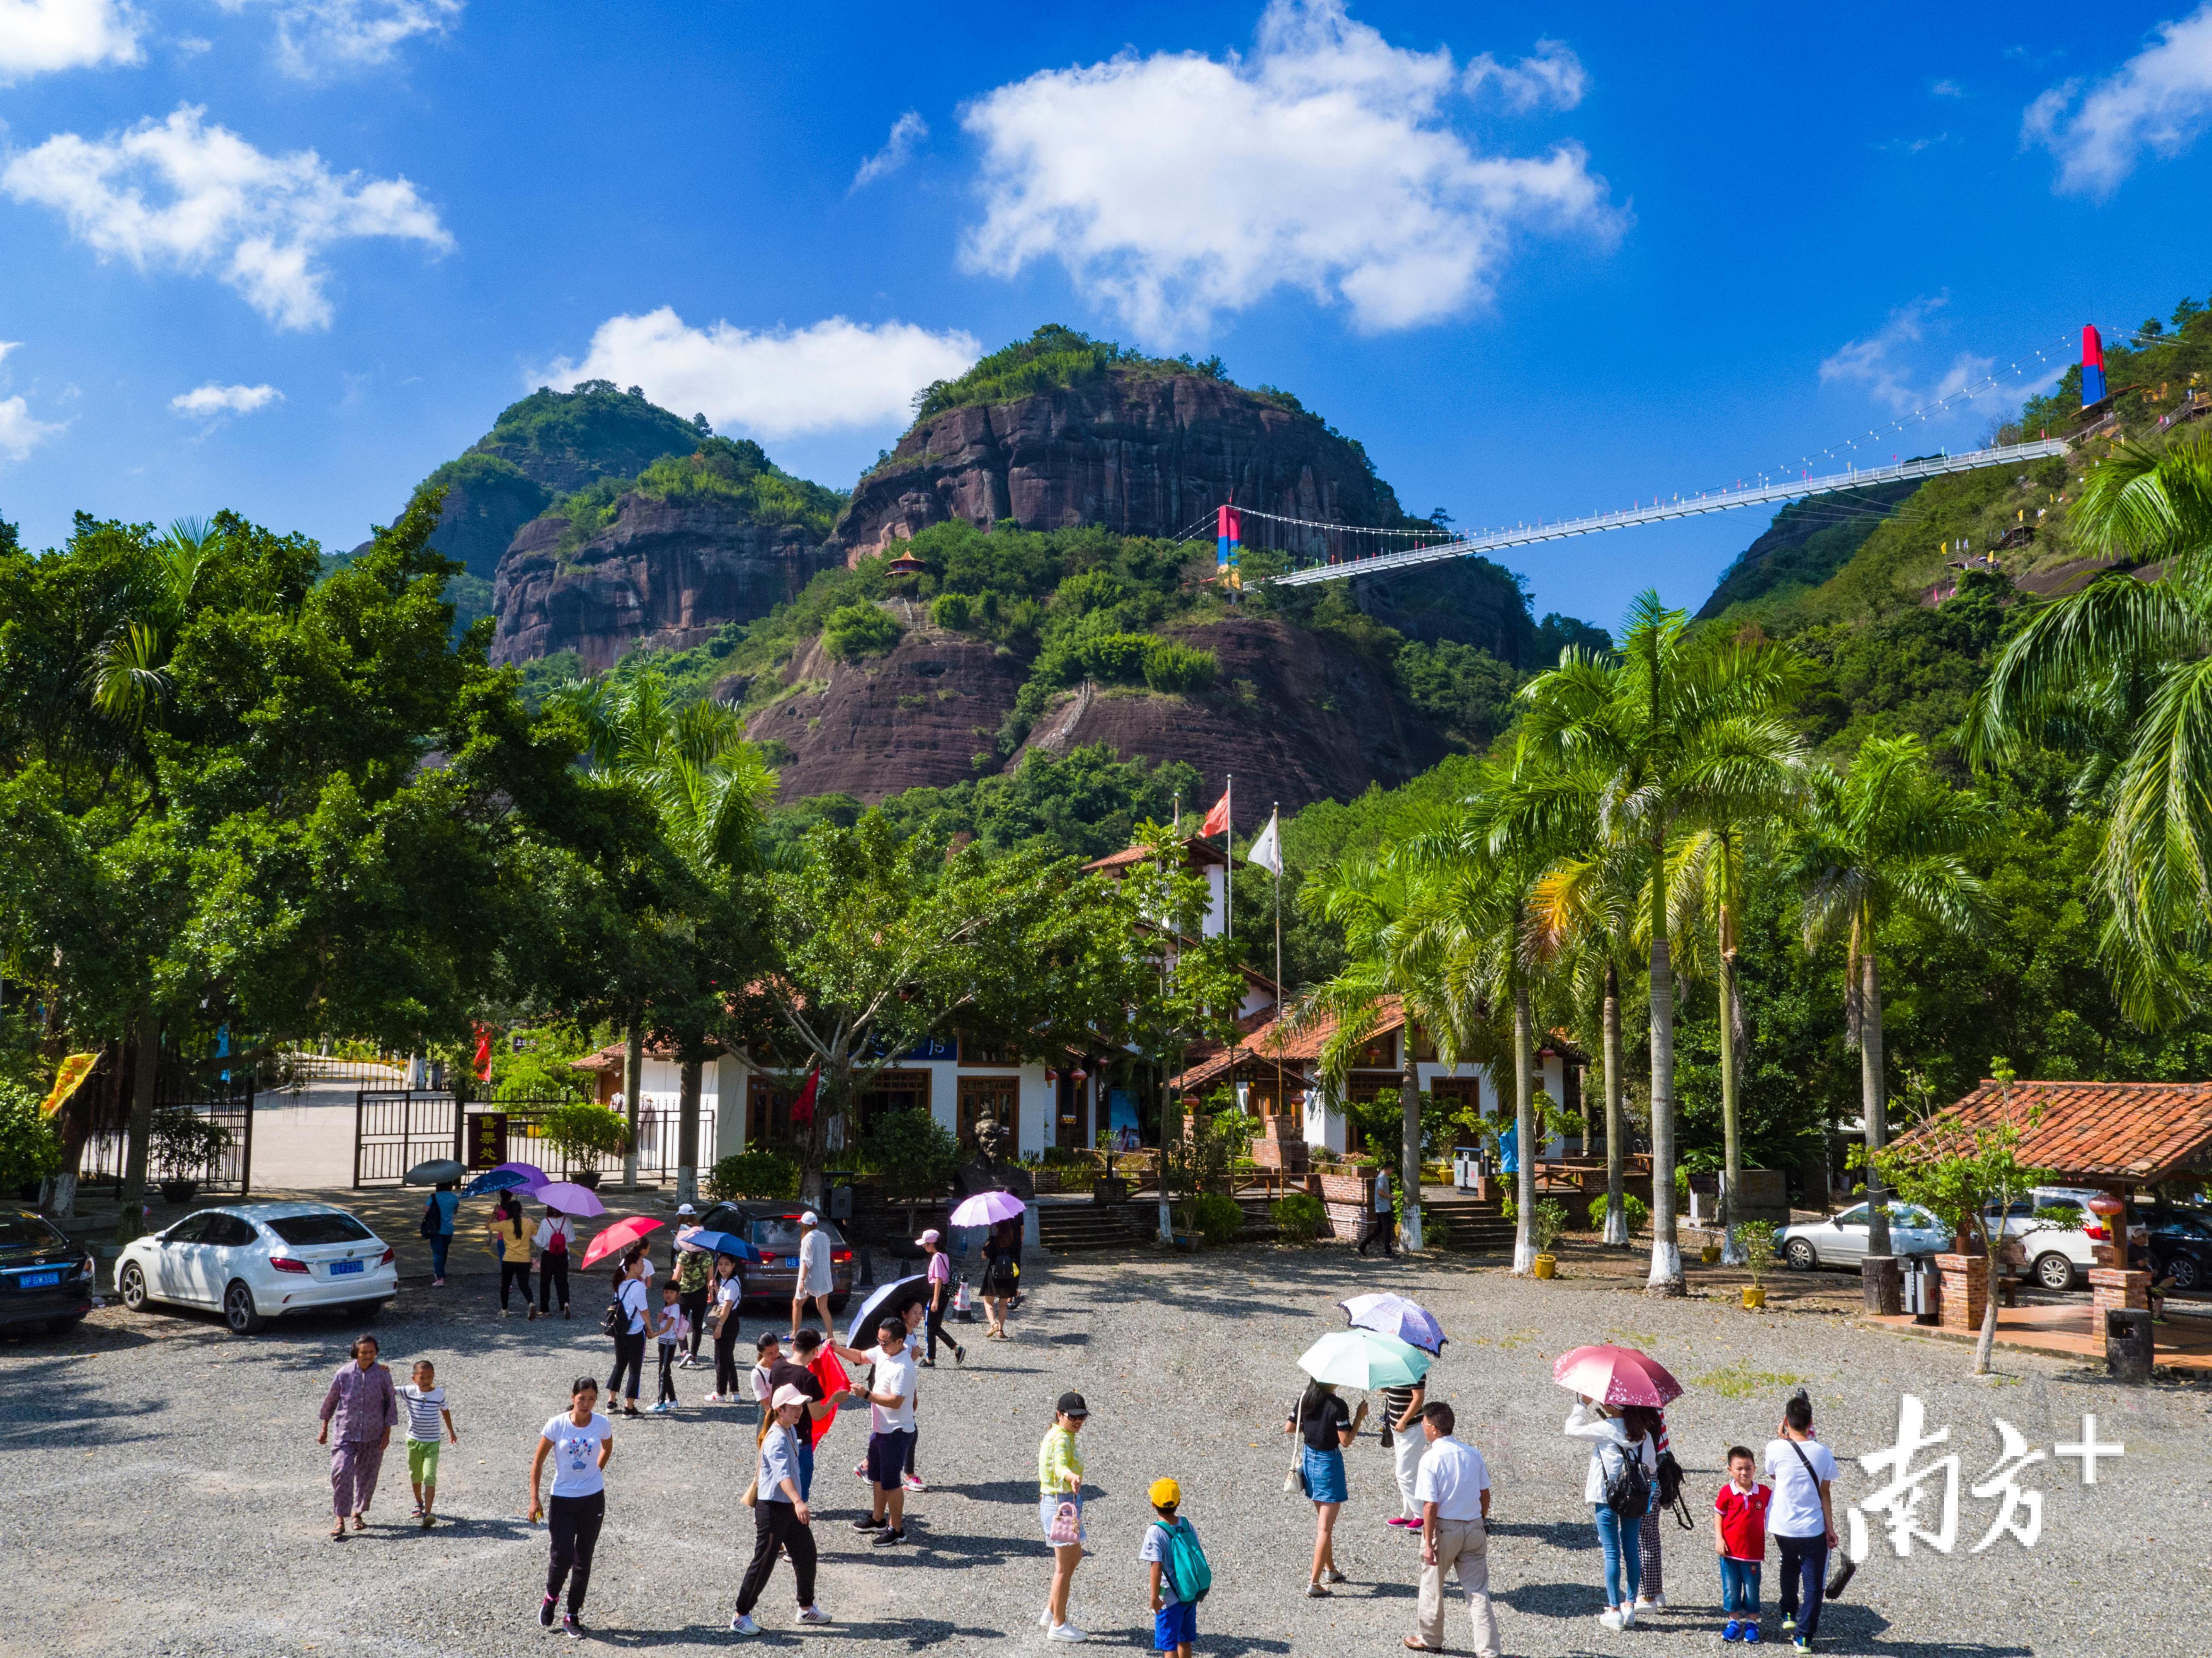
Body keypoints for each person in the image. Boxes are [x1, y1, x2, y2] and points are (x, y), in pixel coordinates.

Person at [730, 1384, 831, 1634]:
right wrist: (799, 1501)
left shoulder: (789, 1428)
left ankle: (806, 1609)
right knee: (763, 1562)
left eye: (800, 1406)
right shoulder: (776, 1438)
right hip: (774, 1509)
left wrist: (795, 1503)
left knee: (806, 1554)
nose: (799, 1411)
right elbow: (783, 1475)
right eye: (794, 1407)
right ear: (780, 1410)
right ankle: (741, 1616)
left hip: (787, 1507)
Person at [1403, 1401, 1501, 1657]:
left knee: (1433, 1585)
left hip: (1445, 1530)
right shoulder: (1473, 1453)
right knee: (1478, 1593)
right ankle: (1489, 1650)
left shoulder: (1430, 1459)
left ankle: (1431, 1639)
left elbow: (1430, 1505)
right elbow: (1485, 1494)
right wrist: (1480, 1518)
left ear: (1434, 1429)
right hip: (1474, 1528)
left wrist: (1428, 1541)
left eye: (1424, 1424)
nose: (1423, 1428)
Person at [529, 1376, 614, 1641]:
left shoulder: (602, 1423)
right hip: (563, 1499)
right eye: (582, 1399)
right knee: (562, 1555)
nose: (587, 1404)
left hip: (593, 1499)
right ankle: (551, 1597)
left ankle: (572, 1615)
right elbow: (538, 1462)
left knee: (583, 1560)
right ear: (572, 1398)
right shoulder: (557, 1425)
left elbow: (608, 1449)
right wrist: (535, 1499)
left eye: (591, 1399)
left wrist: (595, 1473)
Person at [1566, 1394, 1657, 1630]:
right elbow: (1652, 1467)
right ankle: (1629, 1606)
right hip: (1635, 1499)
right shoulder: (1644, 1435)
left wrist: (1582, 1404)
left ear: (1610, 1406)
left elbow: (1571, 1429)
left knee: (1611, 1553)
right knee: (1631, 1551)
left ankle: (1614, 1610)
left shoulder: (1605, 1428)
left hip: (1606, 1498)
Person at [828, 1317, 917, 1547]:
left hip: (896, 1432)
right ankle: (878, 1519)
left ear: (900, 1341)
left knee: (891, 1483)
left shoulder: (904, 1368)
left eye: (885, 1342)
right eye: (879, 1340)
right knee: (877, 1476)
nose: (881, 1345)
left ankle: (897, 1529)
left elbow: (896, 1402)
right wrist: (836, 1349)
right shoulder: (885, 1352)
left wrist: (866, 1395)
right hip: (881, 1430)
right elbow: (860, 1356)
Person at [1764, 1393, 1838, 1653]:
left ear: (1786, 1421)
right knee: (1813, 1583)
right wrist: (1830, 1527)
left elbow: (1774, 1474)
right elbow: (1824, 1492)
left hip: (1782, 1525)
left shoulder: (1774, 1447)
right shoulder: (1823, 1453)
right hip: (1811, 1527)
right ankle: (1804, 1637)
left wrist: (1781, 1438)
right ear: (1811, 1423)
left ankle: (1788, 1615)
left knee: (1789, 1563)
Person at [1287, 1379, 1366, 1597]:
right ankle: (1314, 1582)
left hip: (1309, 1461)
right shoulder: (1338, 1406)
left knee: (1324, 1520)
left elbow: (1290, 1427)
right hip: (1328, 1465)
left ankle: (1330, 1569)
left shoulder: (1306, 1398)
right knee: (1325, 1528)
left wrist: (1313, 1426)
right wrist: (1360, 1417)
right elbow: (1346, 1440)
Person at [316, 1333, 398, 1539]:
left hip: (374, 1434)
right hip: (346, 1433)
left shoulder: (383, 1375)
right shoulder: (343, 1374)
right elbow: (331, 1401)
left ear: (377, 1353)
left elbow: (391, 1405)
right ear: (356, 1353)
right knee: (341, 1471)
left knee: (367, 1477)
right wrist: (324, 1428)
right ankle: (340, 1518)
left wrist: (387, 1433)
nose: (368, 1355)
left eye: (372, 1352)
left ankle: (358, 1513)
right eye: (364, 1352)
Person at [1037, 1391, 1089, 1643]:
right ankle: (1059, 1625)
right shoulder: (1061, 1439)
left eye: (1082, 1416)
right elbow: (1059, 1467)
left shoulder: (1061, 1434)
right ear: (1060, 1415)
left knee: (1073, 1558)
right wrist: (1071, 1477)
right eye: (1073, 1417)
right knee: (1064, 1568)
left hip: (1059, 1503)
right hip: (1062, 1504)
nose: (1078, 1421)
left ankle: (1051, 1611)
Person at [1140, 1477, 1206, 1658]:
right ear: (1178, 1502)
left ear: (1153, 1504)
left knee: (1169, 1643)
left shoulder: (1156, 1531)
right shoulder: (1186, 1525)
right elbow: (1197, 1556)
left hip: (1169, 1597)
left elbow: (1156, 1567)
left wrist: (1154, 1597)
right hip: (1189, 1591)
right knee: (1185, 1640)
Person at [1715, 1445, 1771, 1644]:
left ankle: (1752, 1623)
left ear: (1755, 1468)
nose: (1744, 1472)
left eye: (1748, 1468)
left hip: (1753, 1554)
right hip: (1730, 1553)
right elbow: (1719, 1515)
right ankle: (1733, 1623)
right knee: (1731, 1588)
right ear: (1730, 1470)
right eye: (1739, 1468)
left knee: (1752, 1589)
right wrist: (1719, 1538)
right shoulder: (1727, 1492)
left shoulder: (1764, 1493)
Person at [398, 1358, 458, 1530]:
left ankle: (428, 1513)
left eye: (430, 1377)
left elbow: (445, 1410)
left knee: (430, 1476)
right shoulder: (408, 1391)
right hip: (413, 1441)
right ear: (413, 1378)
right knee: (415, 1475)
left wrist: (451, 1432)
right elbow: (387, 1389)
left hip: (432, 1442)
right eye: (422, 1377)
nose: (426, 1381)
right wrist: (382, 1371)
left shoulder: (439, 1393)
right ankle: (419, 1503)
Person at [1630, 1404, 1671, 1610]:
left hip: (1642, 1481)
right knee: (1651, 1537)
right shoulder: (1655, 1411)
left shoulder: (1637, 1418)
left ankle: (1648, 1597)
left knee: (1643, 1539)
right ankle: (1656, 1591)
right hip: (1655, 1478)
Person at [1380, 1373, 1428, 1530]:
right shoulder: (1394, 1368)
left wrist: (1404, 1420)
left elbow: (1419, 1398)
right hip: (1398, 1429)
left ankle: (1422, 1516)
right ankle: (1409, 1514)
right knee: (1409, 1473)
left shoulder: (1414, 1369)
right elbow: (1386, 1390)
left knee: (1404, 1474)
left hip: (1412, 1428)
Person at [606, 1252, 650, 1418]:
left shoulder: (620, 1284)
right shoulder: (638, 1286)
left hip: (620, 1330)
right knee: (635, 1369)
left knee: (619, 1365)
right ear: (633, 1266)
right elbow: (644, 1311)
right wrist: (651, 1328)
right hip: (636, 1331)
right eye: (641, 1263)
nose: (643, 1266)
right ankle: (629, 1407)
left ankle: (611, 1402)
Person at [918, 1229, 965, 1367]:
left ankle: (930, 1359)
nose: (924, 1247)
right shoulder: (944, 1255)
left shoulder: (937, 1258)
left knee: (929, 1327)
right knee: (935, 1327)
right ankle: (957, 1349)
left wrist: (935, 1300)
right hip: (944, 1294)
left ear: (932, 1244)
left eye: (925, 1245)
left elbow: (938, 1279)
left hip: (936, 1294)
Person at [673, 1205, 713, 1366]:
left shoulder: (683, 1256)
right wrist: (711, 1293)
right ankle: (694, 1356)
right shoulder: (708, 1256)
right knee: (697, 1325)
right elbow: (711, 1279)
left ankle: (685, 1351)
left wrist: (670, 1291)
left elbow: (677, 1277)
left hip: (684, 1294)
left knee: (681, 1322)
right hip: (701, 1293)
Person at [487, 1192, 536, 1319]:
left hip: (509, 1258)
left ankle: (505, 1310)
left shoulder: (505, 1224)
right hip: (524, 1259)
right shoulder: (529, 1222)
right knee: (524, 1285)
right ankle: (531, 1303)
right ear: (521, 1210)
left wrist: (494, 1212)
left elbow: (488, 1226)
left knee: (505, 1284)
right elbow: (534, 1236)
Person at [705, 1252, 745, 1402]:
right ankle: (735, 1392)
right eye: (720, 1264)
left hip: (727, 1321)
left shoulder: (733, 1283)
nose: (723, 1267)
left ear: (733, 1266)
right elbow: (719, 1299)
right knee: (728, 1357)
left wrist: (720, 1326)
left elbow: (727, 1307)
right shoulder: (725, 1281)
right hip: (729, 1321)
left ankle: (720, 1393)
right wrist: (715, 1289)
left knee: (721, 1358)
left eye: (727, 1264)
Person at [789, 1211, 834, 1341]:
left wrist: (802, 1280)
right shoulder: (824, 1236)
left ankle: (795, 1334)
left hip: (811, 1279)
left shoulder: (807, 1240)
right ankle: (831, 1336)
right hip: (825, 1278)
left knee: (797, 1304)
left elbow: (806, 1262)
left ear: (804, 1225)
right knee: (823, 1308)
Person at [652, 1280, 687, 1414]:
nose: (668, 1295)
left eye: (672, 1293)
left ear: (677, 1295)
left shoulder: (675, 1308)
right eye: (666, 1292)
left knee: (663, 1372)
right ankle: (672, 1399)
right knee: (665, 1371)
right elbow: (660, 1321)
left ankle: (661, 1402)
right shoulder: (667, 1307)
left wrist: (654, 1335)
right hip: (663, 1341)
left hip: (668, 1342)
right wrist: (660, 1317)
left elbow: (667, 1327)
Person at [982, 1218, 1020, 1338]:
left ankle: (994, 1325)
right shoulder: (1015, 1241)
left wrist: (986, 1246)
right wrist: (1016, 1284)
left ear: (998, 1228)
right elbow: (1017, 1259)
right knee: (1003, 1305)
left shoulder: (994, 1241)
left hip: (994, 1274)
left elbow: (984, 1256)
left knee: (988, 1303)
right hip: (1008, 1275)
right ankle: (1001, 1331)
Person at [537, 1202, 574, 1319]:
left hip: (548, 1254)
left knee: (545, 1282)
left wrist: (532, 1237)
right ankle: (565, 1303)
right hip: (563, 1254)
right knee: (562, 1281)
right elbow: (571, 1239)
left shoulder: (545, 1222)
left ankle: (545, 1309)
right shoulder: (567, 1221)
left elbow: (540, 1242)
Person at [424, 1180, 459, 1287]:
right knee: (444, 1252)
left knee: (438, 1254)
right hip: (449, 1229)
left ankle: (440, 1277)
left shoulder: (434, 1197)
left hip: (436, 1229)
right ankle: (441, 1271)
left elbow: (426, 1210)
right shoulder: (454, 1197)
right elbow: (456, 1210)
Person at [1358, 1166, 1397, 1257]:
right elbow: (1380, 1192)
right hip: (1383, 1208)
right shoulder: (1382, 1178)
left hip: (1383, 1207)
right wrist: (1391, 1197)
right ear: (1387, 1169)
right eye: (1392, 1169)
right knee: (1387, 1229)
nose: (1392, 1171)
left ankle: (1363, 1245)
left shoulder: (1383, 1178)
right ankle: (1388, 1252)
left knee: (1379, 1229)